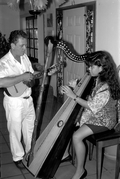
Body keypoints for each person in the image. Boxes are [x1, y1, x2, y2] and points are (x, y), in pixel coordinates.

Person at [61, 51, 120, 179]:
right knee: (68, 122)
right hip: (96, 114)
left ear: (101, 68)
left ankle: (80, 171)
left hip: (105, 120)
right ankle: (65, 154)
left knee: (76, 136)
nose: (88, 69)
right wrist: (76, 86)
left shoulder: (106, 87)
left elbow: (91, 105)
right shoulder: (99, 78)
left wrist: (73, 96)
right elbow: (92, 96)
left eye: (91, 66)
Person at [0, 30, 53, 169]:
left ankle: (31, 153)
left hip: (28, 99)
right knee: (15, 131)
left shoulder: (25, 58)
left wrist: (45, 73)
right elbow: (1, 82)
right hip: (14, 102)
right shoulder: (4, 62)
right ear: (12, 45)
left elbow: (31, 75)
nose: (25, 48)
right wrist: (21, 77)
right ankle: (17, 157)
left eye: (26, 45)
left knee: (30, 128)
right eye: (22, 45)